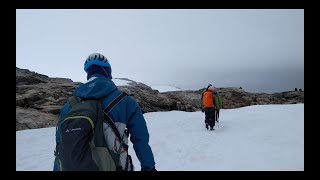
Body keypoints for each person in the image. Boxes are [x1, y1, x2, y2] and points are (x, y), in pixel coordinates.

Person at [53, 53, 156, 171]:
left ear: (88, 74)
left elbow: (60, 145)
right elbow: (140, 139)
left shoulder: (68, 107)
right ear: (108, 72)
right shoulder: (125, 101)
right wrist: (149, 167)